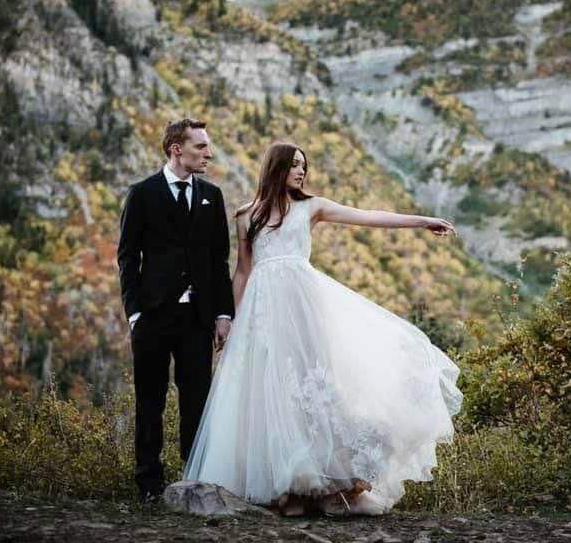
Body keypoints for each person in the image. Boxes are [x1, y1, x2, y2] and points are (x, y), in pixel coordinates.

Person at [184, 142, 462, 516]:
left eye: (304, 166)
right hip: (262, 311)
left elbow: (367, 216)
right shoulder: (245, 215)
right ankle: (286, 488)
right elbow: (244, 270)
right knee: (268, 393)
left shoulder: (310, 207)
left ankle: (326, 485)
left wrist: (421, 220)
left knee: (312, 388)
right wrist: (229, 319)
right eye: (295, 165)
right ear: (277, 168)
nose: (301, 172)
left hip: (302, 306)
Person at [117, 118, 235, 503]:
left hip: (197, 319)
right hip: (152, 316)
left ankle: (194, 479)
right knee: (149, 400)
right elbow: (127, 258)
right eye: (200, 146)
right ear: (176, 150)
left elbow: (219, 260)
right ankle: (149, 484)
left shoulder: (212, 196)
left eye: (207, 146)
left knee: (196, 399)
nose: (208, 153)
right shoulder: (143, 194)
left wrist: (223, 314)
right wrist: (134, 313)